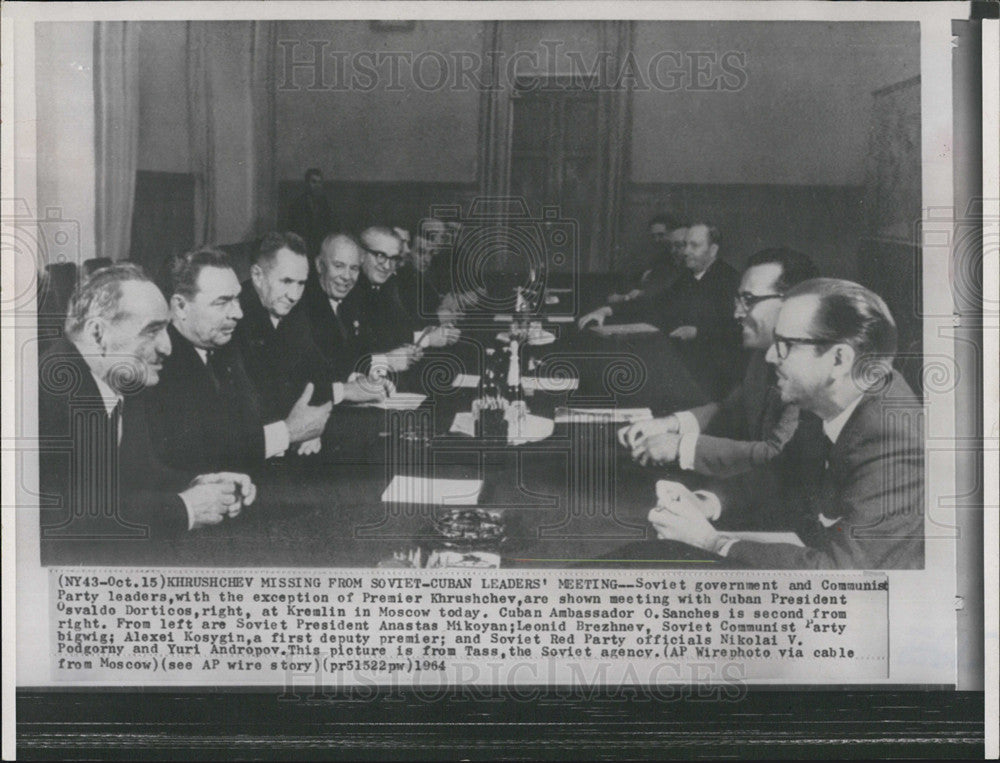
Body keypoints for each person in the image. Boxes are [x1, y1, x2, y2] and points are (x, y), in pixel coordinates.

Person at [647, 278, 924, 569]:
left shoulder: (895, 440)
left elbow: (841, 574)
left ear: (840, 359)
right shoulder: (830, 398)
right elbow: (783, 474)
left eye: (785, 345)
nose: (769, 355)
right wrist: (707, 502)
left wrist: (712, 543)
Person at [38, 263, 256, 549]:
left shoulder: (122, 381)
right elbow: (64, 521)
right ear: (97, 335)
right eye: (152, 331)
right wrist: (183, 509)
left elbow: (141, 474)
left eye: (166, 329)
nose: (167, 347)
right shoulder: (45, 397)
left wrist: (202, 483)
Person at [618, 248, 819, 478]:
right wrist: (670, 424)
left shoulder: (812, 370)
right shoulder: (761, 357)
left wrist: (680, 446)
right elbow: (730, 410)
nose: (737, 313)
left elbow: (776, 454)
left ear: (792, 304)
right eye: (738, 300)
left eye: (749, 300)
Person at [145, 248, 334, 472]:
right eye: (222, 302)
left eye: (236, 299)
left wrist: (300, 431)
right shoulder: (160, 365)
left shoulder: (221, 348)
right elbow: (195, 453)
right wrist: (288, 433)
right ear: (180, 306)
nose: (238, 313)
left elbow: (254, 415)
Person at [234, 232, 342, 456]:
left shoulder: (292, 310)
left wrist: (311, 427)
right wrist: (295, 429)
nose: (294, 295)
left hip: (292, 440)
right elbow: (252, 404)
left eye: (301, 283)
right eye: (286, 281)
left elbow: (320, 372)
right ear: (257, 275)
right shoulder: (234, 317)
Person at [302, 232, 420, 381]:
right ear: (319, 265)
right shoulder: (307, 305)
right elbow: (324, 368)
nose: (347, 276)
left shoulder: (346, 304)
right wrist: (385, 362)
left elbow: (357, 353)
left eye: (354, 268)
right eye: (339, 266)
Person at [352, 225, 460, 353]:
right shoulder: (352, 288)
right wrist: (428, 336)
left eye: (393, 258)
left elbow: (400, 326)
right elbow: (375, 339)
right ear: (360, 254)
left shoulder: (384, 284)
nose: (387, 266)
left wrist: (433, 330)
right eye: (380, 255)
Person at [606, 214, 686, 305]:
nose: (657, 240)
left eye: (661, 235)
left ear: (673, 234)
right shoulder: (657, 260)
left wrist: (627, 297)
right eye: (653, 236)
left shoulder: (684, 261)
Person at [286, 168, 340, 257]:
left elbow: (330, 228)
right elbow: (292, 230)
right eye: (313, 182)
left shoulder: (326, 205)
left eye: (319, 182)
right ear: (307, 183)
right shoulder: (297, 204)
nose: (317, 185)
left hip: (320, 251)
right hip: (303, 250)